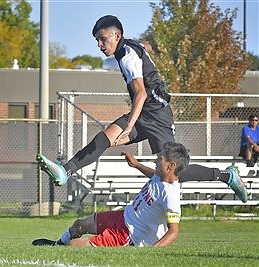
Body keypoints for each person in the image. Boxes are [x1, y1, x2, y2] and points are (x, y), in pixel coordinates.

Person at [36, 15, 248, 203]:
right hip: (143, 114)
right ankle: (66, 171)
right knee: (102, 140)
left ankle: (226, 176)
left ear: (117, 35)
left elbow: (141, 93)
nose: (100, 45)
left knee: (173, 172)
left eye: (103, 39)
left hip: (156, 116)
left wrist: (129, 126)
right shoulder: (127, 48)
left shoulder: (127, 56)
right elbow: (144, 53)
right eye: (97, 41)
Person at [33, 142, 189, 247]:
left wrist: (151, 252)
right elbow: (152, 174)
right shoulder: (160, 176)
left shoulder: (171, 195)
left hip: (129, 234)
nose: (155, 160)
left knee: (75, 245)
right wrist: (136, 165)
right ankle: (56, 245)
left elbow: (174, 232)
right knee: (79, 224)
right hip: (122, 216)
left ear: (171, 166)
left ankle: (61, 247)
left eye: (159, 159)